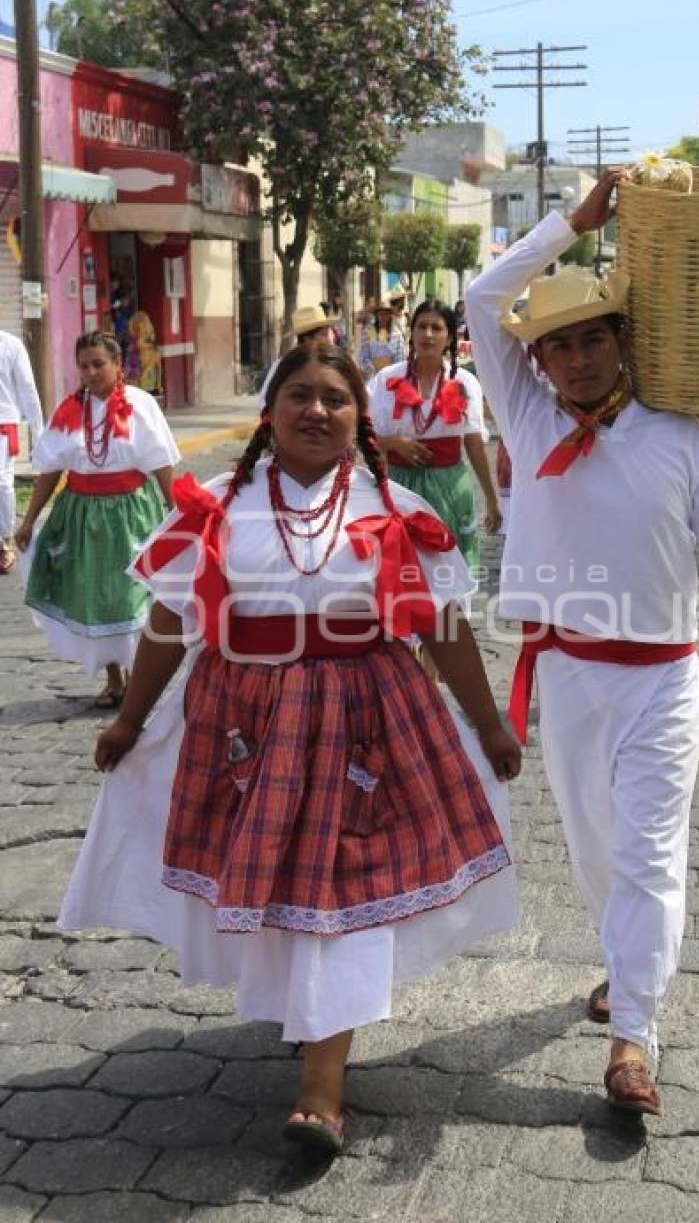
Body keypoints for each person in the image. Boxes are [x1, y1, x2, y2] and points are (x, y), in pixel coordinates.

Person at [58, 341, 521, 1157]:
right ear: (268, 414)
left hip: (366, 721)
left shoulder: (394, 506)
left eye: (335, 399)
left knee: (339, 895)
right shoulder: (215, 509)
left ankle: (322, 1086)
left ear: (359, 416)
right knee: (282, 884)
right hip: (246, 724)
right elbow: (171, 620)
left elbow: (440, 624)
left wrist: (486, 722)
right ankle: (305, 1015)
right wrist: (131, 718)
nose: (317, 410)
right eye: (299, 395)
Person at [466, 169, 699, 1117]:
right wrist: (569, 226)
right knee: (596, 854)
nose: (577, 359)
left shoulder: (681, 437)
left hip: (664, 681)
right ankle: (624, 966)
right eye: (559, 347)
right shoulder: (526, 414)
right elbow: (480, 296)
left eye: (593, 337)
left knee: (652, 855)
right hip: (569, 680)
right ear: (535, 364)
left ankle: (635, 1033)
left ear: (625, 342)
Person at [15, 331, 179, 708]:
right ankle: (114, 678)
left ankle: (140, 680)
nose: (90, 373)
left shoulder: (139, 405)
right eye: (84, 366)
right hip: (81, 515)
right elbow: (51, 470)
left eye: (98, 364)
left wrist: (177, 514)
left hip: (130, 513)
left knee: (131, 595)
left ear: (118, 365)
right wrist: (29, 521)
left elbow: (160, 463)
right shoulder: (70, 410)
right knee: (92, 596)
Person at [368, 298, 502, 574]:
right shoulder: (385, 380)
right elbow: (365, 437)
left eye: (436, 328)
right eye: (421, 327)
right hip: (401, 486)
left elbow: (474, 443)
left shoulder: (465, 383)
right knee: (406, 567)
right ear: (412, 332)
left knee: (451, 567)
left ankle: (453, 616)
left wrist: (491, 498)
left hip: (451, 487)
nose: (428, 334)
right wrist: (396, 444)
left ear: (450, 336)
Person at [0, 329, 43, 574]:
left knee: (2, 483)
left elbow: (28, 390)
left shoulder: (11, 346)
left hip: (3, 425)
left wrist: (39, 435)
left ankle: (4, 541)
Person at [257, 304, 340, 405]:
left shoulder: (333, 363)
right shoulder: (284, 366)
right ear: (308, 338)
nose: (329, 339)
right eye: (324, 335)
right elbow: (265, 402)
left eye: (329, 334)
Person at [358, 299, 405, 381]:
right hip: (372, 376)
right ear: (377, 315)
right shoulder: (370, 331)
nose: (383, 317)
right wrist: (372, 369)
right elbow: (364, 354)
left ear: (390, 315)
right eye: (381, 314)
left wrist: (390, 372)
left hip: (391, 376)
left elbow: (400, 358)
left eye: (386, 314)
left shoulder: (396, 334)